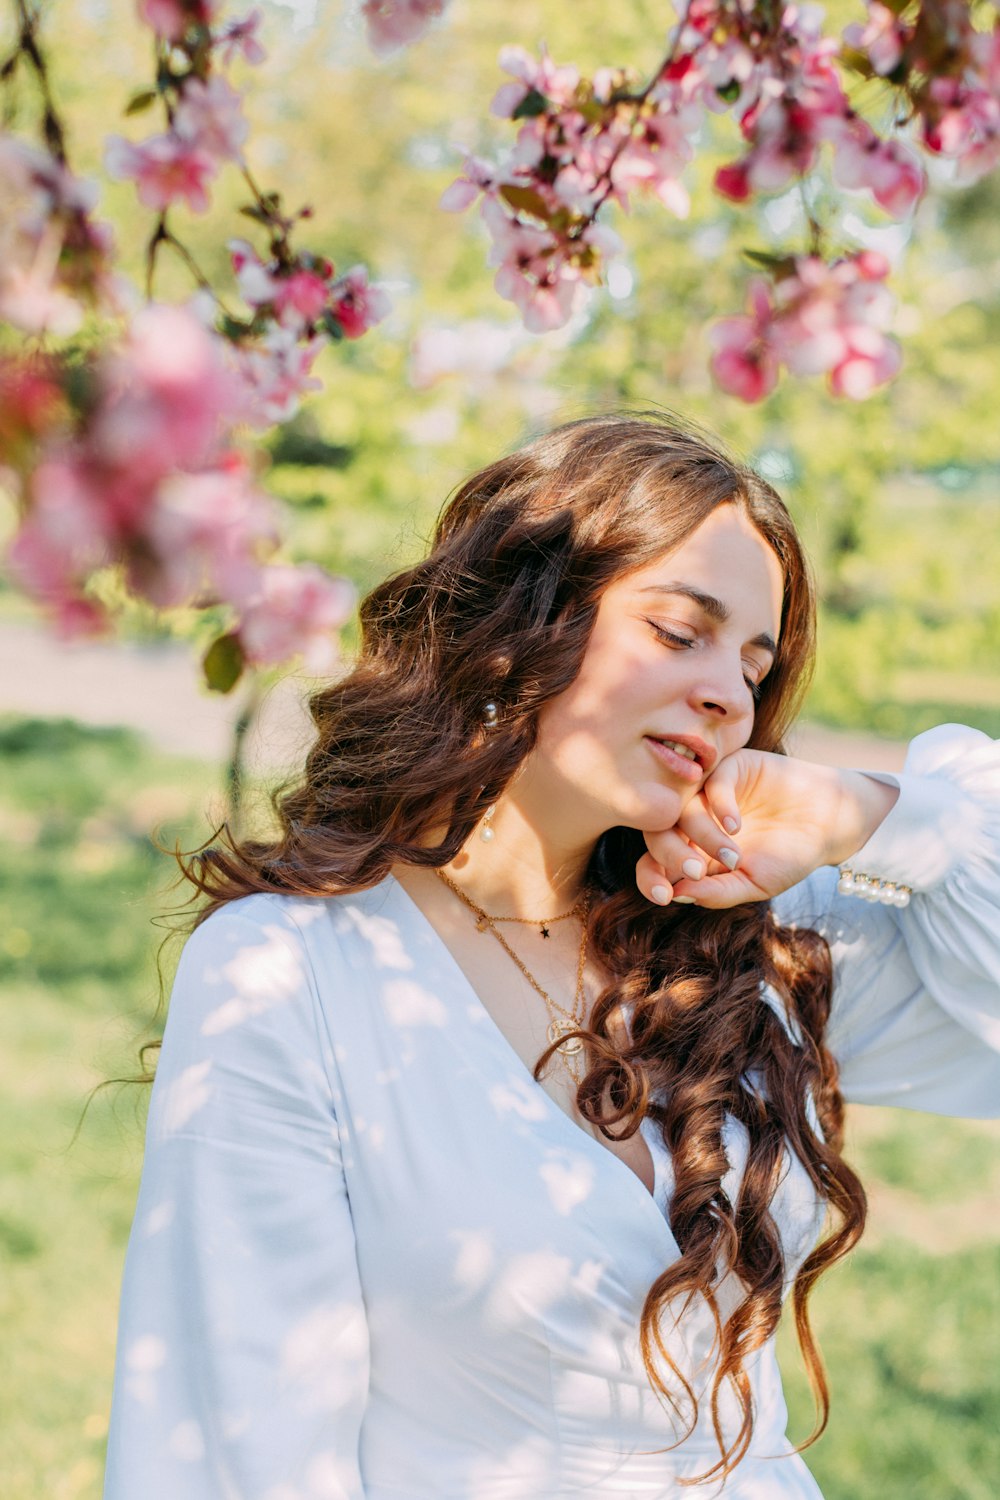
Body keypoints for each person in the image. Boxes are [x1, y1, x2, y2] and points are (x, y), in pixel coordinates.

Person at [102, 413, 1000, 1500]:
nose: (728, 696)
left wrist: (872, 814)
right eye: (678, 632)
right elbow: (235, 1441)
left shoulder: (751, 946)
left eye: (752, 667)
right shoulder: (295, 971)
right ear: (518, 624)